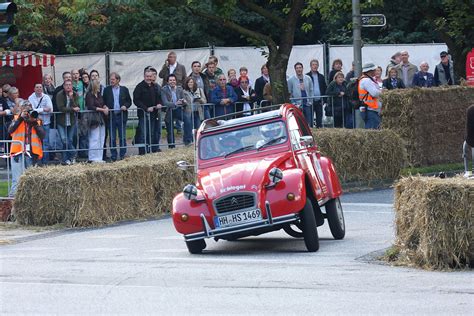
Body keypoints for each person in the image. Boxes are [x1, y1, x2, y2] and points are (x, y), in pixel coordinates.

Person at [8, 100, 45, 197]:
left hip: (32, 153)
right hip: (18, 152)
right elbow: (10, 130)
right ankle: (13, 200)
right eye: (25, 109)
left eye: (30, 109)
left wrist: (34, 124)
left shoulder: (37, 120)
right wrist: (21, 118)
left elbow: (43, 135)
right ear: (21, 109)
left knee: (31, 180)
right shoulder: (16, 118)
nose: (28, 112)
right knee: (17, 179)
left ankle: (29, 200)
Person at [102, 72, 131, 161]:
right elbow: (103, 101)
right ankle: (113, 155)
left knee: (122, 136)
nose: (111, 81)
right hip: (111, 116)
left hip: (121, 115)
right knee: (112, 137)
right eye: (110, 79)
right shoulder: (107, 90)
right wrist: (105, 106)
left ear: (118, 80)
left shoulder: (124, 89)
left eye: (113, 79)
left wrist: (125, 106)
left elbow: (129, 101)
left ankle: (122, 154)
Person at [133, 68, 162, 154]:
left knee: (151, 133)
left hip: (153, 114)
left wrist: (159, 104)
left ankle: (150, 151)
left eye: (150, 76)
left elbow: (158, 97)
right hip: (143, 115)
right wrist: (146, 108)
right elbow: (136, 100)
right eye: (147, 76)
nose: (149, 78)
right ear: (144, 76)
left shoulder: (154, 86)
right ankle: (142, 153)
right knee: (143, 134)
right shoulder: (139, 87)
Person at [55, 79, 80, 165]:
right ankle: (73, 153)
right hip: (61, 121)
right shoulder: (59, 95)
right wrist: (72, 109)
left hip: (71, 121)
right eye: (67, 85)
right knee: (64, 139)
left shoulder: (75, 94)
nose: (68, 86)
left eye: (70, 85)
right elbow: (61, 108)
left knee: (70, 139)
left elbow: (77, 106)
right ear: (64, 86)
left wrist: (72, 98)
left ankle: (67, 159)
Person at [28, 84, 53, 164]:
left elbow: (50, 109)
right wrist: (43, 109)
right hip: (35, 124)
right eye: (37, 87)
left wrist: (37, 110)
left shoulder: (46, 97)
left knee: (46, 142)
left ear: (42, 88)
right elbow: (31, 110)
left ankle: (45, 162)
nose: (39, 89)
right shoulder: (31, 97)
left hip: (46, 122)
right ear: (34, 88)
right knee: (36, 142)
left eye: (40, 87)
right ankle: (37, 161)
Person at [85, 80, 108, 163]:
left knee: (101, 138)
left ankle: (99, 157)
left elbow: (102, 103)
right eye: (98, 84)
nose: (99, 86)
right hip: (94, 119)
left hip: (101, 118)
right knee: (94, 138)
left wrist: (105, 107)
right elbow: (91, 106)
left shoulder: (99, 95)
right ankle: (92, 157)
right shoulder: (89, 95)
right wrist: (102, 110)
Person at [161, 74, 185, 148]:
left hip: (179, 110)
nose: (172, 82)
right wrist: (175, 103)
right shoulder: (164, 89)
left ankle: (188, 142)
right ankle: (172, 147)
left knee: (188, 120)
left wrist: (183, 101)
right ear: (167, 82)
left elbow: (183, 98)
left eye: (173, 80)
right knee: (170, 130)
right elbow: (165, 102)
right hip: (169, 111)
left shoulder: (180, 89)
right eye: (170, 80)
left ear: (176, 81)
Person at [287, 62, 314, 126]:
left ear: (302, 68)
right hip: (297, 105)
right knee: (299, 123)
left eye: (300, 68)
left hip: (307, 104)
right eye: (297, 68)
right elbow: (289, 92)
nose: (299, 69)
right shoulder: (291, 80)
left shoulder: (308, 78)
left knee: (309, 122)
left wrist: (310, 101)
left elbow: (311, 90)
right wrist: (294, 103)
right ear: (295, 69)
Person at [183, 77, 207, 144]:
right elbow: (184, 102)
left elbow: (205, 101)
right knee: (188, 127)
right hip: (189, 112)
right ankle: (188, 141)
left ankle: (198, 142)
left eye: (191, 82)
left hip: (197, 112)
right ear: (186, 83)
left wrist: (200, 100)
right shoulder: (184, 92)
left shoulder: (199, 90)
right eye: (189, 82)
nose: (190, 84)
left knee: (198, 127)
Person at [358, 62, 382, 129]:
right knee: (372, 132)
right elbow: (374, 93)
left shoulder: (367, 80)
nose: (375, 71)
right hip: (370, 110)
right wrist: (382, 92)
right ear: (370, 71)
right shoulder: (366, 80)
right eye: (374, 70)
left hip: (370, 109)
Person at [306, 59, 327, 128]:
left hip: (319, 101)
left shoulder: (321, 76)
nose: (315, 66)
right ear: (310, 66)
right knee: (310, 120)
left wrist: (324, 100)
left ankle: (319, 132)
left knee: (319, 120)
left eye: (316, 65)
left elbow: (324, 88)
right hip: (310, 101)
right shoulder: (307, 76)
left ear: (318, 66)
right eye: (313, 65)